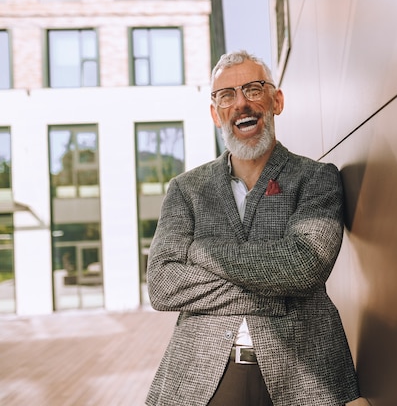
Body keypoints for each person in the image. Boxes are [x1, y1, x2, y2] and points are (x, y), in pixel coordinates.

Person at [145, 50, 360, 406]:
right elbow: (163, 285)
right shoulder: (186, 189)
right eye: (226, 95)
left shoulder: (316, 178)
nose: (241, 103)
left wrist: (201, 251)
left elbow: (302, 266)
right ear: (216, 114)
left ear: (276, 101)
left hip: (305, 373)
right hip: (204, 373)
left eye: (253, 89)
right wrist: (279, 295)